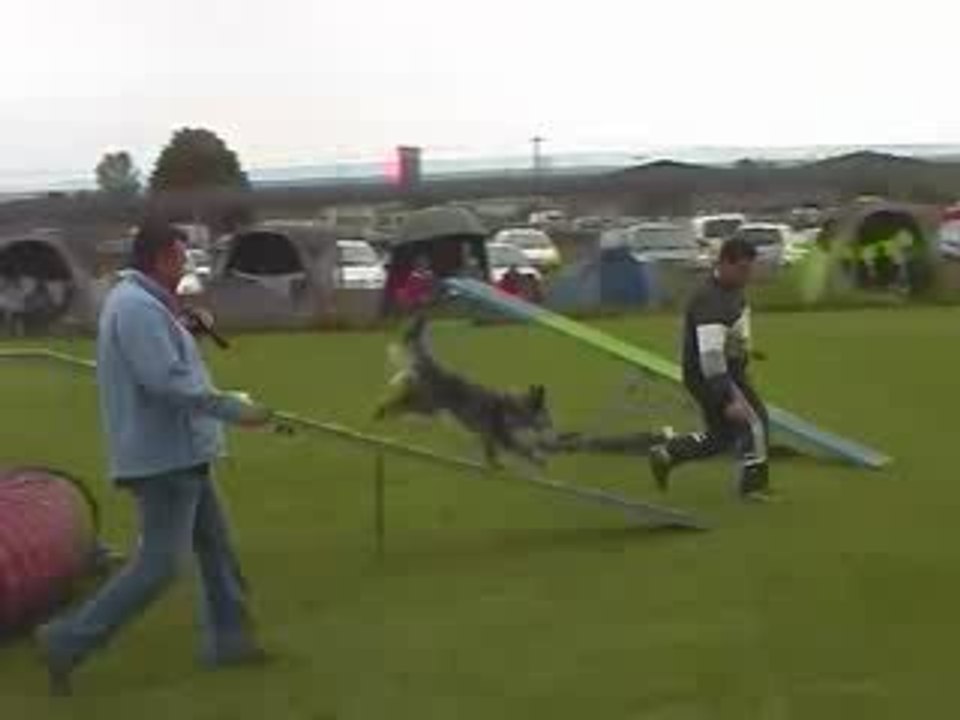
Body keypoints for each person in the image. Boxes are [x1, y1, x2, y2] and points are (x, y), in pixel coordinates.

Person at [36, 220, 275, 696]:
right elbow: (165, 381)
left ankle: (229, 642)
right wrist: (231, 408)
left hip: (184, 451)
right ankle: (66, 640)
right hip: (163, 458)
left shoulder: (146, 305)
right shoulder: (137, 308)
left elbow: (168, 362)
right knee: (160, 565)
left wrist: (188, 329)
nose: (186, 265)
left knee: (216, 549)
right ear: (163, 257)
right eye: (181, 256)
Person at [648, 237, 773, 501]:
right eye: (741, 269)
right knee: (755, 423)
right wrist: (728, 398)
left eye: (749, 270)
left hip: (718, 372)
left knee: (722, 437)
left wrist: (745, 350)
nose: (746, 276)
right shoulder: (711, 301)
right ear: (724, 263)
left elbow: (729, 335)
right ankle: (753, 488)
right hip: (715, 376)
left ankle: (668, 453)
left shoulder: (729, 289)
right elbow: (711, 357)